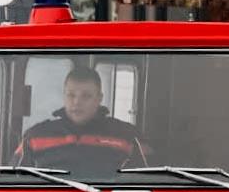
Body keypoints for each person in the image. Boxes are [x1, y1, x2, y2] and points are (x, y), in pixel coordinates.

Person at [15, 66, 148, 177]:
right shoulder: (34, 137)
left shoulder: (127, 137)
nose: (77, 102)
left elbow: (149, 184)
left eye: (86, 96)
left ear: (99, 98)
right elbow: (13, 183)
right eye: (71, 95)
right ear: (64, 95)